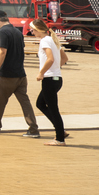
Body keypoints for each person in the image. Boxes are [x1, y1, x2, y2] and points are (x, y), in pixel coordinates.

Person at [0, 11, 40, 137]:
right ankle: (33, 129)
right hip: (20, 75)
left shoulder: (2, 32)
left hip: (6, 75)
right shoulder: (17, 32)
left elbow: (2, 52)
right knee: (25, 103)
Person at [32, 18, 69, 146]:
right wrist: (55, 70)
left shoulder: (44, 41)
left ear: (38, 30)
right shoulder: (52, 39)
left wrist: (41, 72)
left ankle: (60, 139)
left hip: (49, 79)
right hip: (56, 79)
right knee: (40, 103)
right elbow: (64, 58)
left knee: (53, 109)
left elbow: (50, 59)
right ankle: (60, 131)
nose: (31, 32)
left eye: (32, 30)